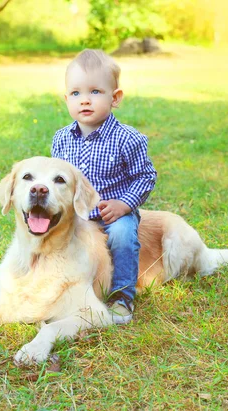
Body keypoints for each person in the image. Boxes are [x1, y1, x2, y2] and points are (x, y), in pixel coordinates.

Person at [51, 49, 157, 324]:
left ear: (115, 97)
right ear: (66, 99)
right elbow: (57, 181)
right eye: (75, 93)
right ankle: (43, 283)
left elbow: (145, 177)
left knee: (124, 238)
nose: (84, 100)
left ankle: (122, 297)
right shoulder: (61, 139)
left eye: (95, 91)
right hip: (76, 213)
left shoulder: (128, 139)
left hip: (114, 214)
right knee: (48, 236)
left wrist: (124, 205)